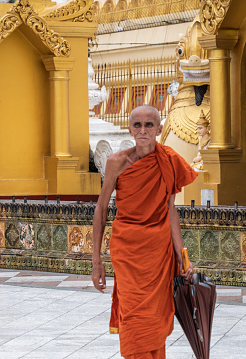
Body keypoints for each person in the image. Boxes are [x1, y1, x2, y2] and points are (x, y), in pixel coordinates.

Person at [91, 105, 197, 359]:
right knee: (133, 314)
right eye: (137, 125)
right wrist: (96, 261)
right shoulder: (117, 162)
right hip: (127, 250)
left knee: (154, 317)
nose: (142, 131)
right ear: (129, 128)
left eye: (149, 125)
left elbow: (171, 210)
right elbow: (101, 209)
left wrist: (182, 255)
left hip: (159, 252)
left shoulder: (169, 160)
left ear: (159, 129)